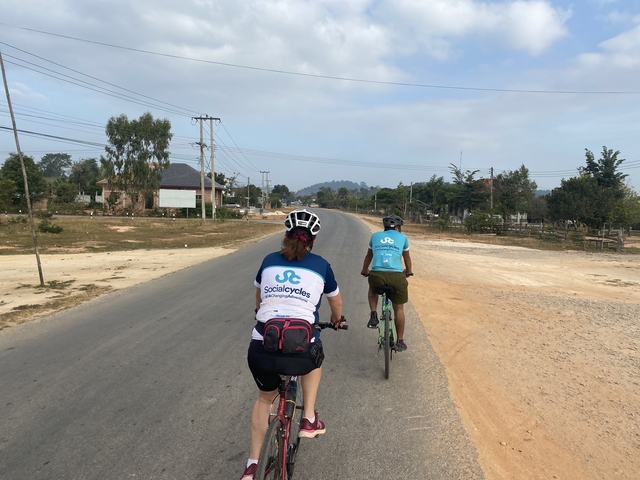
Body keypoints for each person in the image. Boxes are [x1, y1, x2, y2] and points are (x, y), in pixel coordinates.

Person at [241, 209, 345, 480]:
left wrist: (260, 314)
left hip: (262, 347)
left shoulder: (269, 260)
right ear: (314, 240)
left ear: (286, 236)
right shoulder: (321, 265)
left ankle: (252, 467)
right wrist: (337, 320)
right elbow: (335, 302)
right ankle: (308, 418)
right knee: (315, 354)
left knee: (265, 399)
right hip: (301, 352)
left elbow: (259, 297)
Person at [360, 214, 413, 352]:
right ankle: (400, 340)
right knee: (399, 309)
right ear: (397, 227)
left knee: (372, 288)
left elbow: (369, 256)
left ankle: (373, 314)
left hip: (377, 275)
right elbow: (407, 258)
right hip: (396, 276)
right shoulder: (403, 238)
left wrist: (365, 270)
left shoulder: (375, 236)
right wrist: (408, 272)